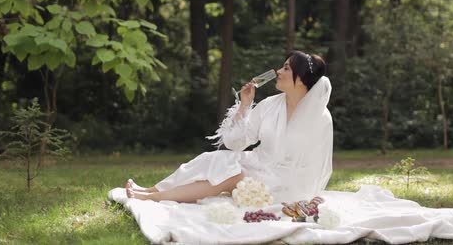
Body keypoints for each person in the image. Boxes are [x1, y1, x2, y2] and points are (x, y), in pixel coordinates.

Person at [125, 51, 333, 204]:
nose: (278, 71)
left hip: (285, 183)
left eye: (286, 68)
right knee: (213, 158)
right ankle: (152, 189)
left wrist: (305, 197)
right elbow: (235, 144)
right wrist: (244, 105)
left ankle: (154, 198)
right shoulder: (269, 104)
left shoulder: (321, 118)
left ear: (302, 79)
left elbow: (317, 165)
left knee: (230, 175)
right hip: (257, 163)